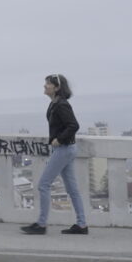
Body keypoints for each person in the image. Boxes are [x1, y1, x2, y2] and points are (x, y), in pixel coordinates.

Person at [22, 74, 88, 235]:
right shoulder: (54, 104)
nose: (45, 86)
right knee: (72, 189)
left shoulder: (61, 105)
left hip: (64, 149)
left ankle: (41, 225)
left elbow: (74, 125)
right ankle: (82, 225)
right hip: (66, 149)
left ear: (57, 88)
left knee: (43, 185)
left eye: (48, 84)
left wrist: (59, 139)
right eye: (45, 83)